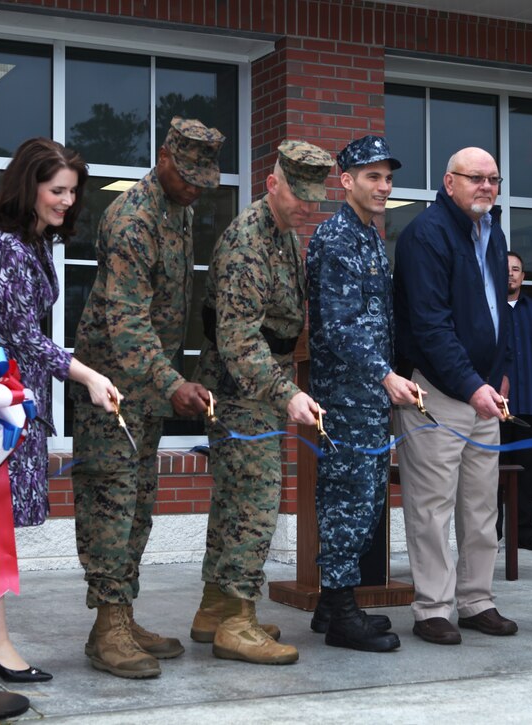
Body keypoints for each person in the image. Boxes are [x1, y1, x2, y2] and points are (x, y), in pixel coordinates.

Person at [0, 138, 120, 683]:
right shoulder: (4, 250)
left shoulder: (32, 246)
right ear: (29, 186)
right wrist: (86, 374)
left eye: (72, 192)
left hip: (9, 404)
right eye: (56, 189)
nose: (66, 201)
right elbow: (22, 335)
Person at [72, 117, 223, 679]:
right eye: (187, 175)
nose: (195, 187)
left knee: (138, 503)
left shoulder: (178, 212)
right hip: (111, 385)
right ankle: (107, 624)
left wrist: (167, 381)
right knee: (110, 504)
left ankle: (122, 613)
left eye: (203, 178)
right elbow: (127, 321)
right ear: (164, 157)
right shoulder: (133, 218)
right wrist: (172, 383)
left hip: (146, 385)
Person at [193, 140, 332, 665]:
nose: (308, 206)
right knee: (252, 502)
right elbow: (239, 342)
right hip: (241, 389)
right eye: (299, 194)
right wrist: (288, 392)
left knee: (235, 500)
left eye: (314, 196)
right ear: (273, 183)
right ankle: (238, 621)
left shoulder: (283, 233)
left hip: (260, 388)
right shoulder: (248, 242)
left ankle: (215, 608)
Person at [393, 147, 517, 646]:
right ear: (449, 183)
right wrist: (472, 384)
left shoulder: (491, 231)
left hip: (483, 393)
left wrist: (498, 372)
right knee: (431, 508)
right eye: (475, 178)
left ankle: (475, 600)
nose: (486, 187)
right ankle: (432, 609)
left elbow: (498, 310)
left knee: (480, 507)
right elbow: (429, 325)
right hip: (438, 391)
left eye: (493, 179)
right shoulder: (427, 235)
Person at [305, 135, 416, 653]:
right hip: (348, 396)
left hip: (368, 397)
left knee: (367, 498)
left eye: (388, 177)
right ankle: (342, 611)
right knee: (347, 501)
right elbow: (339, 325)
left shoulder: (369, 235)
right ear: (346, 180)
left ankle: (333, 604)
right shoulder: (337, 237)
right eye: (373, 176)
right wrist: (385, 375)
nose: (384, 186)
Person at [497, 251, 532, 552]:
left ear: (523, 276)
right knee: (491, 475)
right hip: (493, 407)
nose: (511, 274)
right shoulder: (487, 310)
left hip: (530, 403)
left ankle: (525, 534)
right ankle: (492, 534)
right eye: (505, 270)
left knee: (528, 475)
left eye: (516, 269)